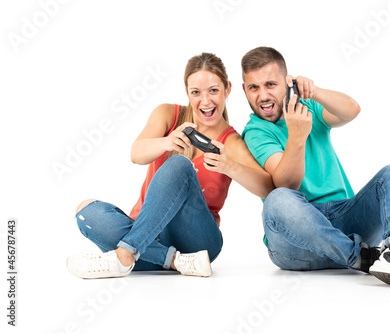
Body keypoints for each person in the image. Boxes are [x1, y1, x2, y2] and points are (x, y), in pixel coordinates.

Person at [240, 46, 390, 288]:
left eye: (270, 85)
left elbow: (352, 110)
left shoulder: (308, 106)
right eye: (254, 87)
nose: (262, 96)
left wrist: (313, 91)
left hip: (345, 221)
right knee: (277, 199)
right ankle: (366, 258)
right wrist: (297, 137)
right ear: (244, 89)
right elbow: (287, 184)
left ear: (287, 82)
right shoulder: (255, 131)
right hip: (296, 242)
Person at [67, 52, 274, 279]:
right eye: (196, 92)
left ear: (228, 89)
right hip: (150, 234)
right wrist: (166, 142)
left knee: (179, 165)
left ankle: (125, 255)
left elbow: (268, 189)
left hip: (198, 240)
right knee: (86, 212)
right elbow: (136, 154)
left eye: (213, 90)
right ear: (187, 92)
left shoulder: (232, 142)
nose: (205, 101)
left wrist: (230, 167)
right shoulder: (168, 114)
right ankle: (174, 260)